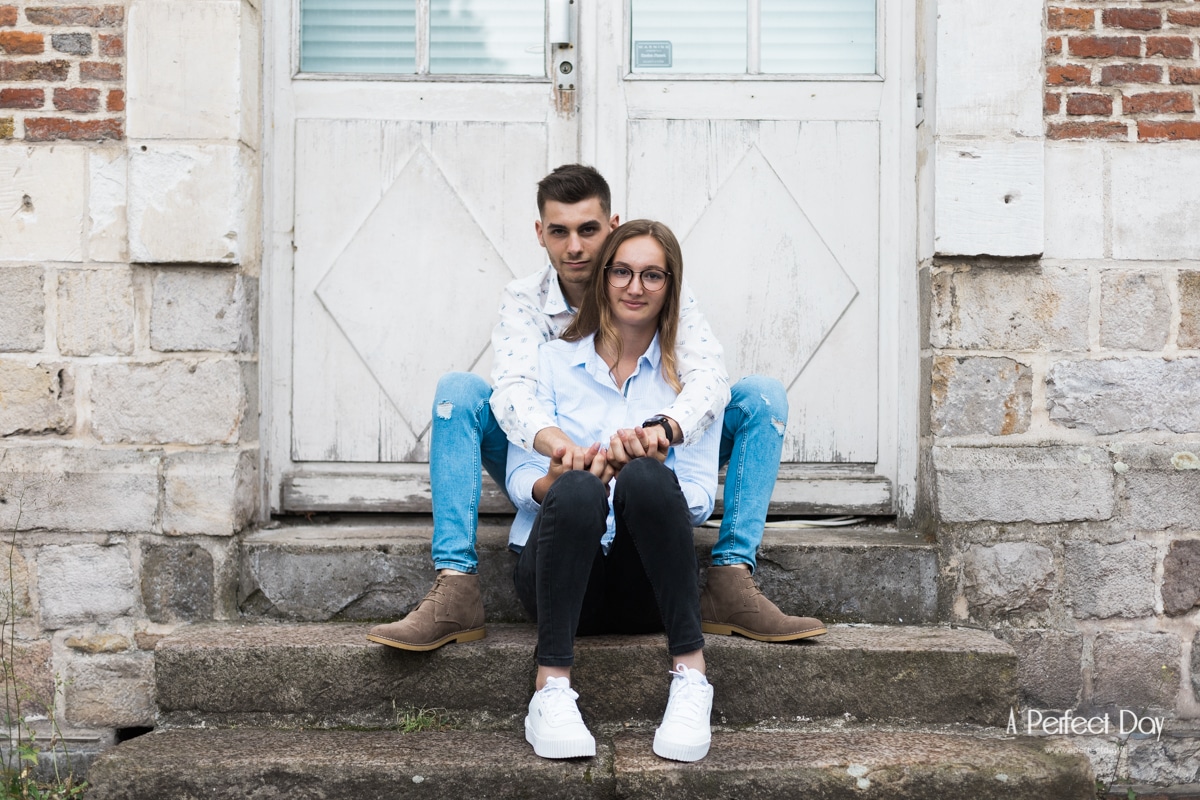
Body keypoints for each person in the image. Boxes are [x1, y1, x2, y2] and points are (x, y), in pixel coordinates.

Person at [367, 164, 825, 653]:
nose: (575, 248)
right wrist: (561, 454)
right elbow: (515, 391)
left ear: (612, 226)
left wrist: (662, 433)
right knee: (457, 392)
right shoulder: (527, 306)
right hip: (548, 452)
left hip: (646, 468)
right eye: (559, 232)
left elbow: (709, 380)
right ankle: (456, 585)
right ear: (540, 233)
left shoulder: (659, 289)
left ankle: (731, 575)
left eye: (589, 230)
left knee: (760, 397)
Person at [511, 220, 717, 762]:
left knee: (648, 476)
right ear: (603, 278)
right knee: (578, 488)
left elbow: (699, 498)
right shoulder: (553, 361)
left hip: (642, 582)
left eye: (652, 275)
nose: (635, 286)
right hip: (557, 578)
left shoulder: (687, 387)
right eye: (623, 271)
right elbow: (518, 476)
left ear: (672, 287)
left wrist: (653, 475)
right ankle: (550, 689)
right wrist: (555, 482)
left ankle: (692, 680)